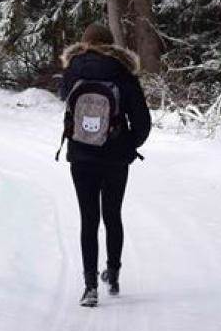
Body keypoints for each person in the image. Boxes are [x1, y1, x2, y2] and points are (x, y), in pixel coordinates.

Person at [58, 24, 151, 307]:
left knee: (88, 219)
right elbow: (143, 121)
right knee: (112, 215)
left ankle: (89, 287)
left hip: (81, 156)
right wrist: (128, 145)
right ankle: (113, 273)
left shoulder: (73, 69)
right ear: (111, 44)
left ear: (85, 43)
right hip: (115, 158)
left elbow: (67, 102)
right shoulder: (123, 71)